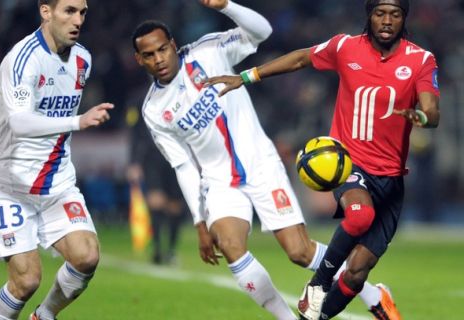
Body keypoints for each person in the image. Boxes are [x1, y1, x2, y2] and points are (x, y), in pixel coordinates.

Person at [132, 1, 402, 319]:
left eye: (163, 49)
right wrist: (200, 221)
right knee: (231, 246)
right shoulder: (153, 110)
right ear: (140, 60)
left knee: (300, 252)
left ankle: (373, 293)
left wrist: (227, 6)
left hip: (261, 164)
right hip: (219, 182)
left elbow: (262, 31)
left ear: (173, 45)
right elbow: (182, 165)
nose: (159, 59)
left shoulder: (208, 52)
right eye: (149, 55)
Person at [205, 0, 440, 319]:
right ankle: (317, 284)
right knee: (359, 217)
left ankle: (320, 314)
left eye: (395, 14)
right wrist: (246, 77)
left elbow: (432, 110)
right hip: (348, 164)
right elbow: (302, 58)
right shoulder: (344, 47)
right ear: (369, 16)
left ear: (404, 18)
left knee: (357, 273)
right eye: (380, 13)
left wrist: (422, 118)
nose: (387, 21)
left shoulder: (421, 60)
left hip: (391, 179)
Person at [0, 0, 114, 319]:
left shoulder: (83, 58)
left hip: (57, 182)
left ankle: (44, 316)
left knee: (86, 256)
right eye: (69, 10)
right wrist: (76, 121)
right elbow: (20, 122)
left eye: (82, 12)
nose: (78, 19)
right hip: (9, 184)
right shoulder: (22, 59)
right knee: (26, 281)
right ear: (46, 12)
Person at [126, 107, 186, 265]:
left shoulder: (180, 93)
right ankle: (158, 250)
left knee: (175, 205)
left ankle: (171, 250)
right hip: (152, 158)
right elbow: (134, 134)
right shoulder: (139, 100)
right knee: (156, 201)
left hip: (176, 157)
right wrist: (134, 162)